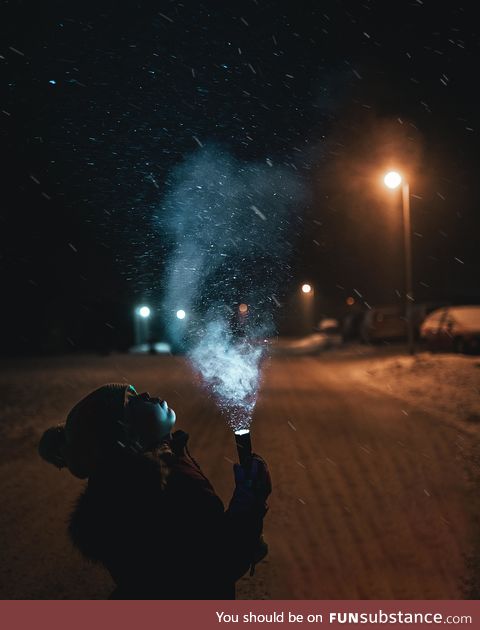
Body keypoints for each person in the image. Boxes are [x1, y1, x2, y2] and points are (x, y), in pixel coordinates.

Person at [38, 383, 271, 599]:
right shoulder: (160, 488)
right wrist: (249, 506)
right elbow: (215, 565)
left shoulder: (152, 470)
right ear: (125, 436)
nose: (146, 396)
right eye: (132, 403)